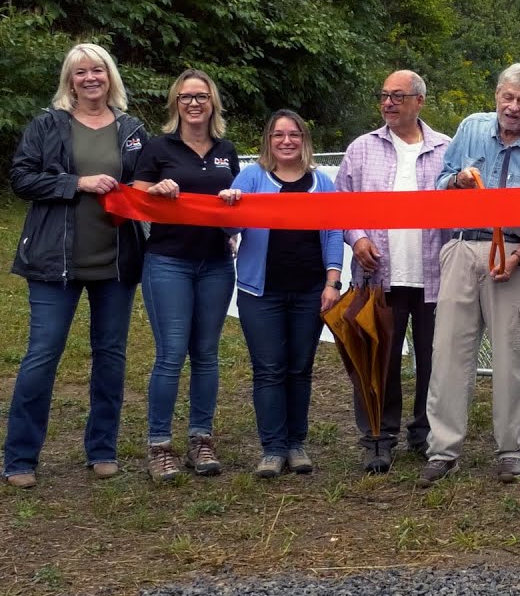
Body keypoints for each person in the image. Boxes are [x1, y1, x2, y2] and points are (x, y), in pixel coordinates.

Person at [4, 43, 149, 489]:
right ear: (70, 80)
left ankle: (102, 449)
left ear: (110, 77)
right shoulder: (47, 125)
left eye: (98, 71)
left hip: (116, 261)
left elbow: (142, 179)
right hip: (53, 262)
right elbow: (21, 177)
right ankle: (20, 457)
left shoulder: (132, 128)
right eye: (81, 72)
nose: (90, 78)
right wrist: (77, 182)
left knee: (110, 357)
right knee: (41, 356)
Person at [417, 63, 520, 486]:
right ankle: (443, 450)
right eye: (508, 97)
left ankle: (511, 450)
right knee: (448, 354)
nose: (514, 107)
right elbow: (440, 181)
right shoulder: (469, 128)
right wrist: (456, 181)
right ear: (497, 96)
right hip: (464, 247)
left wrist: (518, 257)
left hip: (515, 257)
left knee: (511, 356)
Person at [334, 70, 451, 474]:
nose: (388, 103)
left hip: (434, 277)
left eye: (398, 96)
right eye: (383, 95)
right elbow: (342, 207)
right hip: (378, 279)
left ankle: (424, 433)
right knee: (377, 359)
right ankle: (378, 439)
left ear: (419, 101)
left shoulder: (446, 150)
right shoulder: (361, 149)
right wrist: (358, 238)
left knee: (433, 362)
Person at [218, 110, 344, 478]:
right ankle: (272, 448)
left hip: (309, 290)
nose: (286, 141)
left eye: (293, 134)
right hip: (261, 293)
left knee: (300, 368)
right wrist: (230, 204)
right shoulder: (252, 177)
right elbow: (232, 227)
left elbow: (334, 231)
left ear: (304, 139)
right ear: (268, 141)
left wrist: (332, 281)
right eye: (278, 135)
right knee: (269, 369)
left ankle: (296, 444)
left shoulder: (322, 183)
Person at [134, 69, 240, 482]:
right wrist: (154, 190)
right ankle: (159, 445)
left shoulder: (226, 149)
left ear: (212, 102)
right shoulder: (158, 147)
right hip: (168, 261)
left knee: (207, 354)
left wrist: (234, 203)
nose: (193, 104)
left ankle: (201, 438)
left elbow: (232, 204)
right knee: (171, 353)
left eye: (201, 96)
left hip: (215, 261)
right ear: (175, 103)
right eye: (185, 97)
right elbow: (133, 195)